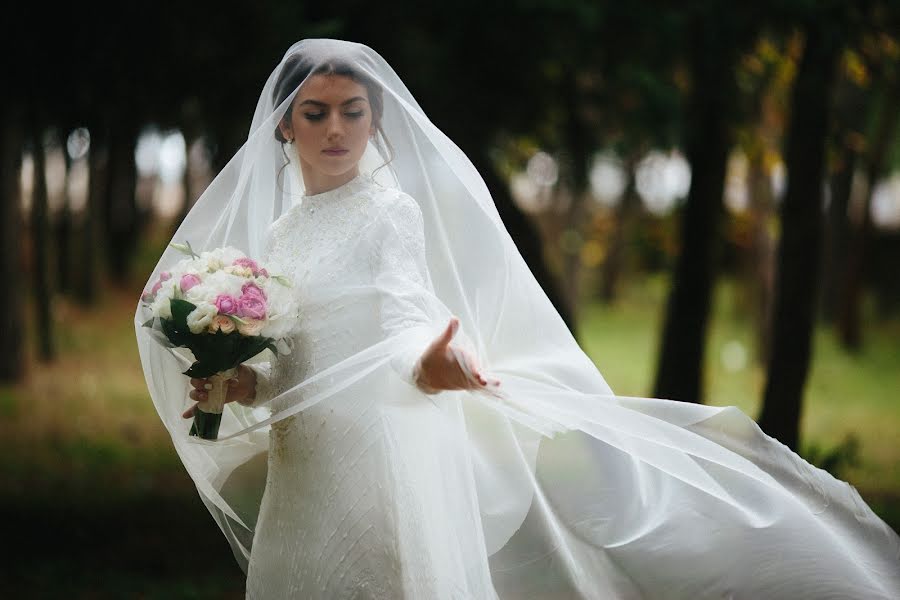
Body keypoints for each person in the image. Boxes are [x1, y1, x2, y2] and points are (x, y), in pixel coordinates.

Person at [135, 39, 900, 599]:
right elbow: (294, 362)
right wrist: (233, 381)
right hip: (305, 462)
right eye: (317, 113)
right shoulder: (281, 236)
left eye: (353, 112)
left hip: (374, 456)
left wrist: (437, 363)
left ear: (374, 123)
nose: (336, 128)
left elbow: (404, 320)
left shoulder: (389, 212)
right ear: (286, 127)